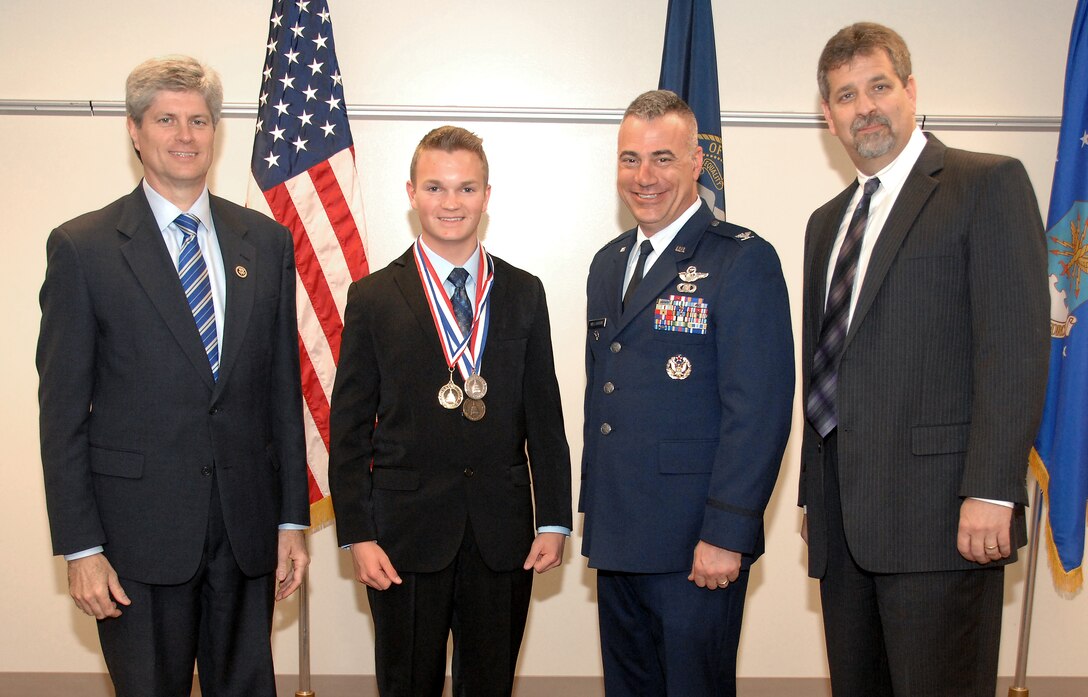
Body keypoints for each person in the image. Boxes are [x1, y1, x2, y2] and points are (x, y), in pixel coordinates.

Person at [36, 56, 310, 697]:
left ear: (216, 131)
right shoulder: (85, 248)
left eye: (198, 120)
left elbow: (280, 392)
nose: (185, 136)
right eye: (166, 120)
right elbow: (63, 413)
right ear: (135, 131)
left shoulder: (265, 243)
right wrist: (81, 548)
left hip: (245, 530)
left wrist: (290, 520)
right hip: (137, 535)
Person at [799, 22, 1049, 697]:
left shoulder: (984, 184)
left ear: (911, 90)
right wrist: (813, 498)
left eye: (879, 86)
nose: (865, 107)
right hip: (844, 526)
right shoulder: (828, 221)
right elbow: (825, 368)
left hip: (944, 520)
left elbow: (1016, 348)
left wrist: (993, 487)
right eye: (846, 95)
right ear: (829, 115)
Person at [328, 125, 572, 697]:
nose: (451, 203)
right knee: (405, 682)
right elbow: (349, 430)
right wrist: (357, 533)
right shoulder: (372, 296)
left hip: (502, 530)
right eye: (435, 188)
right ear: (411, 192)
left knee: (489, 684)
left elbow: (545, 416)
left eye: (465, 189)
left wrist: (554, 518)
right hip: (402, 535)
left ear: (487, 195)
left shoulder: (522, 291)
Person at [580, 90, 794, 696]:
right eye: (629, 159)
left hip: (695, 542)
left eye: (662, 158)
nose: (643, 177)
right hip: (619, 533)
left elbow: (759, 409)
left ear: (697, 161)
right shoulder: (608, 262)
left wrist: (728, 533)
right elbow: (607, 395)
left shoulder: (741, 260)